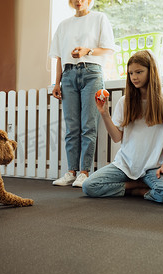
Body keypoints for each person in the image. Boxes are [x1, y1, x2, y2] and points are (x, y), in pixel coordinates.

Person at [82, 50, 163, 204]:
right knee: (89, 186)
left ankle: (133, 189)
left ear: (151, 71)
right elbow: (116, 137)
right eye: (130, 73)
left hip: (153, 167)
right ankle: (138, 188)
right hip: (125, 165)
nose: (134, 77)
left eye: (139, 72)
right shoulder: (124, 101)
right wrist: (104, 113)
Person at [49, 0, 115, 188]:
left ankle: (84, 172)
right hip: (68, 76)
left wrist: (89, 50)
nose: (78, 1)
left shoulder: (99, 18)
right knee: (72, 127)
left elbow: (109, 48)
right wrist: (57, 82)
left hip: (92, 73)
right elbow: (60, 56)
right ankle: (71, 171)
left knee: (88, 125)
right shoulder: (63, 25)